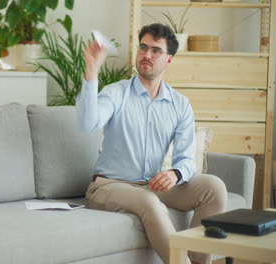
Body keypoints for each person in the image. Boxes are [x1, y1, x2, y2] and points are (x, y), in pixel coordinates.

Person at [76, 23, 227, 264]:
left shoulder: (180, 104)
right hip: (109, 187)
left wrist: (176, 174)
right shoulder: (115, 93)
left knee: (214, 187)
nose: (147, 55)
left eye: (156, 50)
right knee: (148, 201)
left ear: (169, 60)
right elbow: (87, 123)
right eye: (143, 48)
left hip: (152, 185)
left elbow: (186, 159)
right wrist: (91, 70)